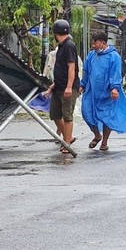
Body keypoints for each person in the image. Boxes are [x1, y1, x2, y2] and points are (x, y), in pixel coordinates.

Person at [79, 30, 126, 151]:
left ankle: (104, 142)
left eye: (95, 43)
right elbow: (86, 72)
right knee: (86, 112)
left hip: (107, 92)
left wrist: (115, 88)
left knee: (107, 116)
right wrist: (82, 85)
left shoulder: (114, 56)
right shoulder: (91, 55)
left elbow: (115, 73)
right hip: (92, 90)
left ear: (103, 43)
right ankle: (97, 135)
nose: (93, 46)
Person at [43, 19, 80, 153]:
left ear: (55, 33)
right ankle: (67, 138)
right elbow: (60, 69)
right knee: (55, 114)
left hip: (67, 88)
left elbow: (72, 68)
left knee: (67, 116)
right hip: (58, 87)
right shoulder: (61, 46)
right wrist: (52, 86)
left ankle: (67, 144)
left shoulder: (69, 45)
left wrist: (69, 87)